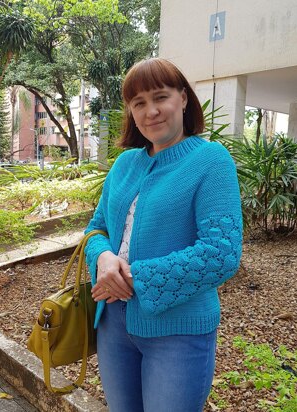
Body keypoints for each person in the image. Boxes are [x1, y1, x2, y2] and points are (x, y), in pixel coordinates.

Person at [84, 57, 242, 412]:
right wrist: (104, 258)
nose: (151, 111)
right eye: (139, 103)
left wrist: (132, 278)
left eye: (160, 97)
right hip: (112, 325)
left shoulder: (211, 161)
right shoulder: (125, 164)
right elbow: (96, 228)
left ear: (183, 99)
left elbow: (221, 253)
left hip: (178, 332)